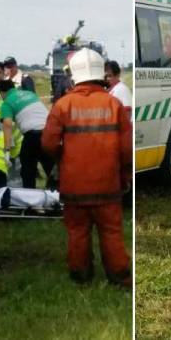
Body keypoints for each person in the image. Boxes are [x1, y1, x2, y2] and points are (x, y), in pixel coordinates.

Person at [41, 48, 132, 287]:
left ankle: (80, 275)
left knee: (77, 231)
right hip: (108, 185)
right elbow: (126, 149)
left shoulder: (63, 105)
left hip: (74, 185)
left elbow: (48, 143)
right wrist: (124, 174)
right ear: (101, 74)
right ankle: (120, 276)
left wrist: (64, 157)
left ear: (74, 75)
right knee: (111, 231)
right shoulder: (114, 104)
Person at [0, 79, 53, 189]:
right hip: (49, 132)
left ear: (1, 92)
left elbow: (7, 125)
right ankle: (58, 194)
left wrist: (7, 150)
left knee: (28, 169)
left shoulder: (7, 103)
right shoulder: (30, 94)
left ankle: (29, 195)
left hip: (33, 135)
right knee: (51, 167)